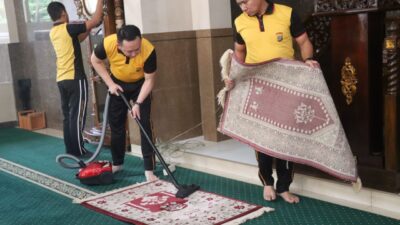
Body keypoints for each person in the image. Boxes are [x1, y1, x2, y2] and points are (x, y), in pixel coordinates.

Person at [225, 0, 319, 204]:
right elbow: (239, 52)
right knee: (262, 138)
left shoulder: (286, 13)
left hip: (286, 85)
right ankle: (267, 182)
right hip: (259, 86)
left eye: (245, 2)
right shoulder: (240, 21)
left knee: (286, 137)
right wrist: (233, 74)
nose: (242, 7)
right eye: (238, 3)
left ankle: (284, 187)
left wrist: (308, 59)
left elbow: (303, 42)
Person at [91, 25, 158, 181]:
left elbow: (149, 80)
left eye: (137, 49)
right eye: (129, 51)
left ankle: (149, 169)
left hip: (141, 85)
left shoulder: (148, 50)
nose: (134, 54)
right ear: (118, 45)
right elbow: (95, 60)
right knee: (116, 124)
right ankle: (117, 163)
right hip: (117, 83)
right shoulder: (108, 44)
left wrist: (138, 103)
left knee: (144, 124)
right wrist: (110, 84)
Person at [48, 1, 103, 158]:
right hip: (75, 78)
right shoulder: (69, 28)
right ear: (64, 13)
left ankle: (70, 149)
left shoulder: (54, 32)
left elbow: (78, 39)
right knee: (77, 116)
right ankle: (79, 150)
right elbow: (97, 18)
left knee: (68, 116)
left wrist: (89, 26)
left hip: (62, 79)